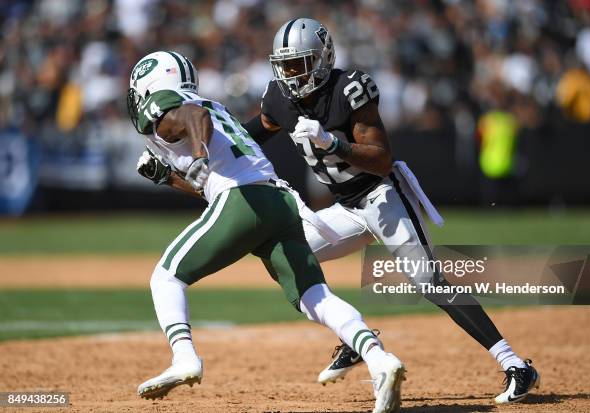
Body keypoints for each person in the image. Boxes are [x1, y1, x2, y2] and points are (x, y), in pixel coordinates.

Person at [241, 18, 540, 404]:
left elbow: (381, 160)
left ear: (322, 59)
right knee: (285, 254)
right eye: (286, 65)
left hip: (383, 196)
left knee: (429, 282)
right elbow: (249, 135)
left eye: (299, 63)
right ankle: (352, 336)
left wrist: (333, 142)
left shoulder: (349, 89)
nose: (291, 74)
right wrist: (192, 148)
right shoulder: (279, 99)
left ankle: (516, 365)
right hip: (346, 207)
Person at [127, 50, 406, 413]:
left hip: (244, 198)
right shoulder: (211, 105)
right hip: (279, 200)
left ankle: (184, 358)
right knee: (314, 297)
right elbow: (208, 182)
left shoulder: (169, 105)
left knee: (165, 278)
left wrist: (195, 158)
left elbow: (195, 123)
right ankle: (378, 358)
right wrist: (170, 176)